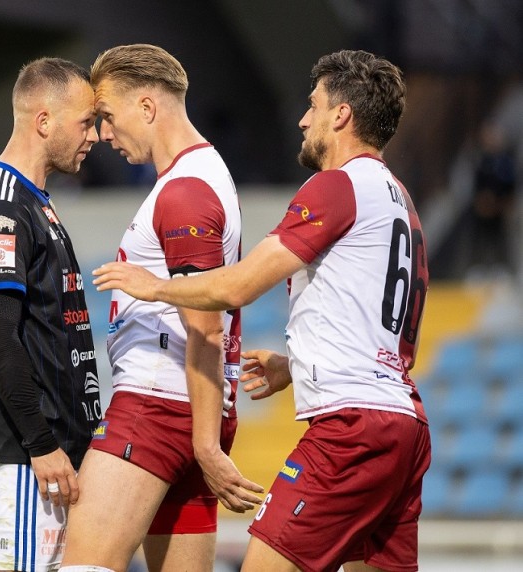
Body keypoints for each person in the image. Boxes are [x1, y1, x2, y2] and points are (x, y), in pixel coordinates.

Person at [93, 49, 431, 572]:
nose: (303, 119)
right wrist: (297, 365)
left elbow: (239, 286)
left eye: (314, 105)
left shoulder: (337, 185)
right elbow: (389, 329)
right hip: (405, 424)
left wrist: (155, 287)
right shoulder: (400, 200)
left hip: (352, 428)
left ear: (341, 115)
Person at [58, 44, 263, 572]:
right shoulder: (204, 174)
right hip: (193, 410)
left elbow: (206, 326)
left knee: (83, 568)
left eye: (107, 116)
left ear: (147, 107)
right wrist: (206, 439)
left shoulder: (185, 191)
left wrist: (205, 446)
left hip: (156, 408)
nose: (103, 134)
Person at [0, 57, 102, 571]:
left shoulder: (34, 200)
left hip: (61, 450)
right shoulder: (1, 207)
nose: (95, 136)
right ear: (44, 121)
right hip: (34, 456)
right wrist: (41, 445)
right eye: (86, 122)